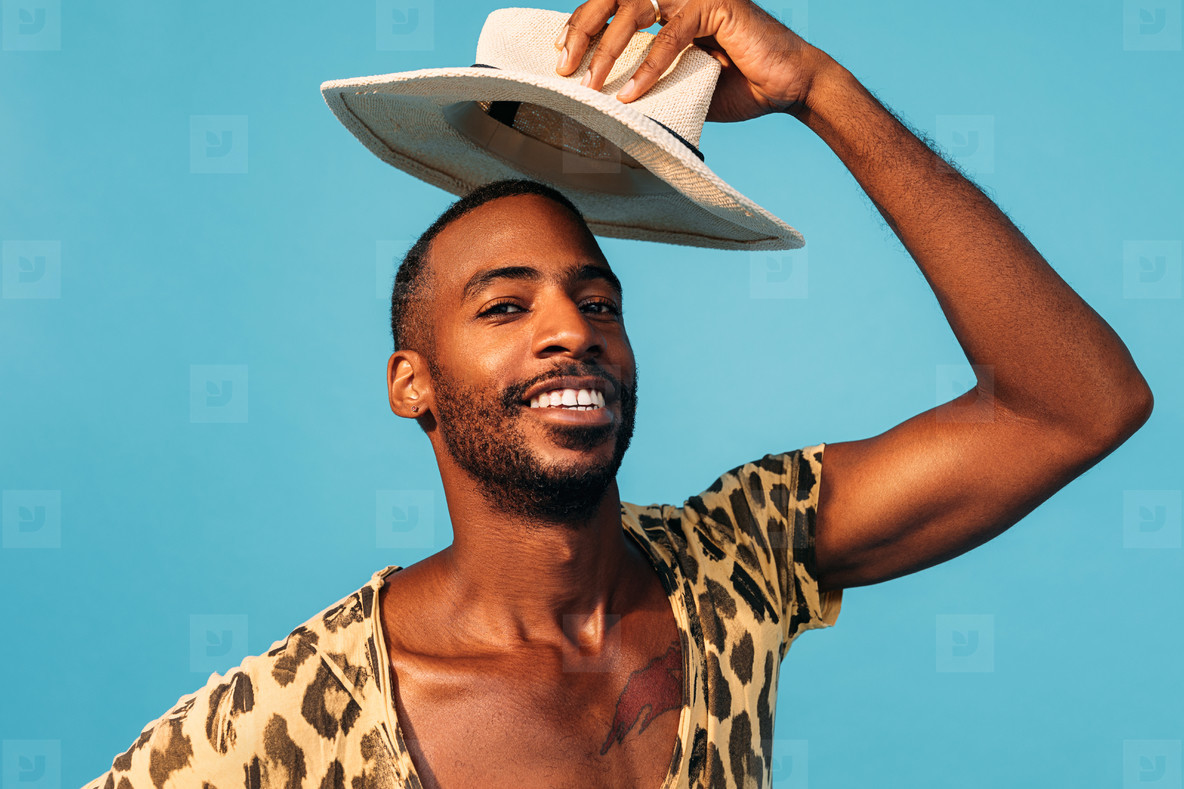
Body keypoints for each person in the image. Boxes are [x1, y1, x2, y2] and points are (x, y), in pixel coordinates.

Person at [83, 0, 1153, 786]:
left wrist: (817, 91)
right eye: (504, 308)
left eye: (598, 302)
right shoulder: (280, 721)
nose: (569, 331)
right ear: (411, 384)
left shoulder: (733, 564)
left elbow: (1073, 404)